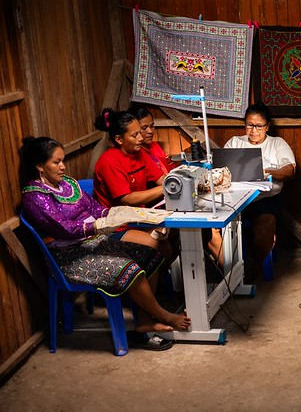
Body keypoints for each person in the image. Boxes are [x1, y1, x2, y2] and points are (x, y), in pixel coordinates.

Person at [19, 137, 190, 349]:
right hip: (69, 257)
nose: (63, 166)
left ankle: (145, 321)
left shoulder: (68, 185)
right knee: (130, 269)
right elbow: (65, 229)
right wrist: (99, 226)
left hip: (93, 244)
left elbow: (95, 209)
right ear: (39, 166)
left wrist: (120, 214)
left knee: (150, 255)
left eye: (62, 160)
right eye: (56, 162)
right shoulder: (35, 198)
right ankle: (164, 315)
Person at [129, 104, 223, 262]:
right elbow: (168, 181)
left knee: (210, 227)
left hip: (170, 202)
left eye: (152, 126)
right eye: (144, 128)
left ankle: (231, 275)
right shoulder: (141, 155)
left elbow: (171, 170)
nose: (150, 131)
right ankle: (232, 276)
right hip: (160, 207)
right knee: (209, 229)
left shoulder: (154, 147)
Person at [93, 108, 175, 263]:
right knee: (159, 247)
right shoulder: (109, 161)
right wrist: (166, 188)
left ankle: (159, 284)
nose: (140, 138)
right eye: (135, 135)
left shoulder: (139, 154)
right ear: (119, 139)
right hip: (116, 225)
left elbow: (162, 179)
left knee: (176, 235)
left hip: (138, 219)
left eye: (140, 132)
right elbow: (128, 198)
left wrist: (178, 183)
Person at [224, 103, 295, 279]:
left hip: (265, 199)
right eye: (249, 125)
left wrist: (265, 171)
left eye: (259, 126)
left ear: (267, 126)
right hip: (235, 199)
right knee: (218, 228)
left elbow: (289, 171)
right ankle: (230, 271)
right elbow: (221, 169)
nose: (253, 130)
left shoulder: (276, 144)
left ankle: (253, 270)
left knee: (266, 223)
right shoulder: (234, 142)